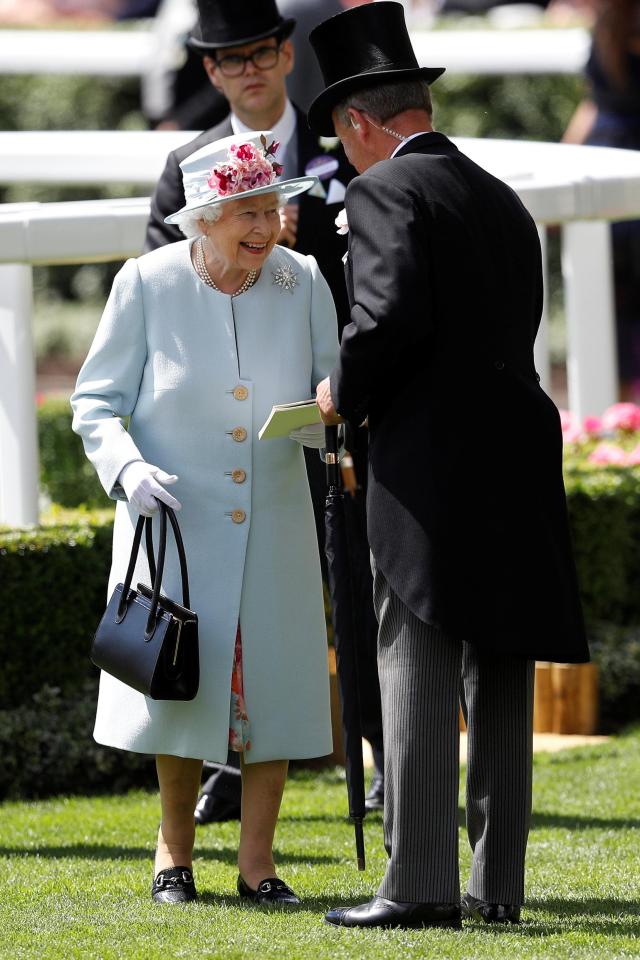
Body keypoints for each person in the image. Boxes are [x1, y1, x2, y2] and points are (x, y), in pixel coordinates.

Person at [309, 0, 589, 930]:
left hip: (429, 466)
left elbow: (383, 319)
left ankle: (420, 882)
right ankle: (493, 885)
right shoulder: (500, 195)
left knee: (415, 652)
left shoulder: (385, 190)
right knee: (499, 662)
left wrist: (340, 391)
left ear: (358, 124)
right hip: (514, 450)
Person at [71, 132, 339, 904]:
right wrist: (126, 468)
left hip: (278, 522)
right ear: (202, 219)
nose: (262, 227)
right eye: (243, 213)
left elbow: (334, 389)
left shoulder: (303, 279)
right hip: (174, 525)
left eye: (270, 210)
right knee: (178, 689)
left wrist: (322, 421)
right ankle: (173, 854)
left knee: (277, 694)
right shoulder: (147, 282)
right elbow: (95, 403)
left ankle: (258, 865)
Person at [145, 0, 385, 824]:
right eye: (228, 58)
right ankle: (219, 763)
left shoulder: (338, 148)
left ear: (286, 56)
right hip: (221, 440)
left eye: (260, 51)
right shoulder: (184, 164)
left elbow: (373, 277)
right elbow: (163, 288)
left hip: (327, 412)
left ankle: (381, 758)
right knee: (221, 606)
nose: (247, 68)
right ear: (209, 71)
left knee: (350, 588)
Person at [562, 0, 640, 401]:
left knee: (613, 305)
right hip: (625, 163)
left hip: (600, 159)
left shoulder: (608, 23)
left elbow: (591, 104)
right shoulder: (614, 21)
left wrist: (566, 159)